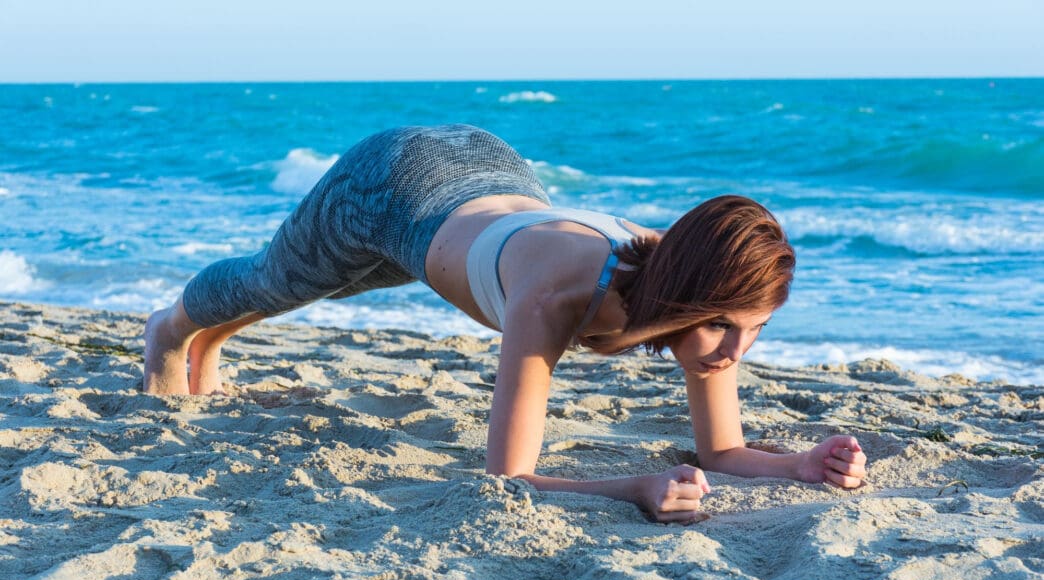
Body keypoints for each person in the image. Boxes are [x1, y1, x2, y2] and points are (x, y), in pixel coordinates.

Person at [144, 124, 867, 523]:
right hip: (392, 184)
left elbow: (722, 452)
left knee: (331, 289)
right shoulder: (553, 298)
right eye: (723, 329)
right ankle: (171, 332)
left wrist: (801, 465)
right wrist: (636, 486)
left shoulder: (705, 291)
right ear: (685, 297)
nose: (734, 351)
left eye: (756, 331)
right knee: (280, 280)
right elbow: (510, 477)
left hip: (492, 173)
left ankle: (215, 340)